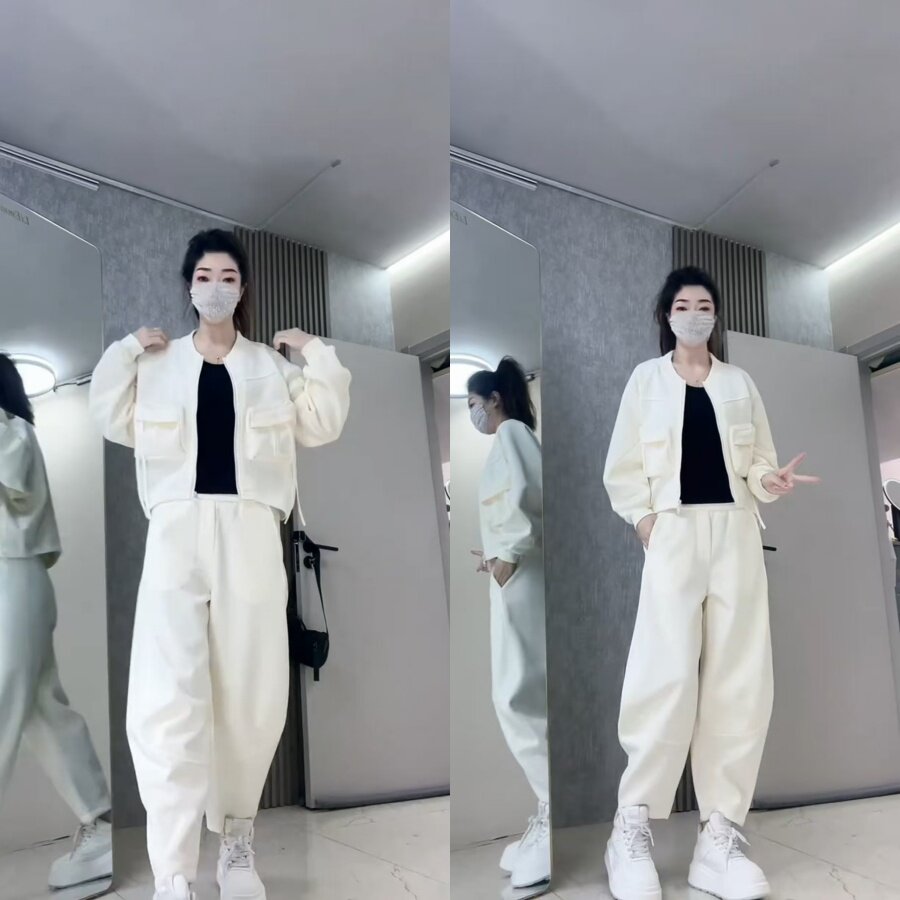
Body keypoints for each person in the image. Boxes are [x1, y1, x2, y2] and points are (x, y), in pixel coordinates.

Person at [89, 229, 351, 900]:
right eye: (204, 276)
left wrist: (315, 351)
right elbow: (108, 415)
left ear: (242, 288)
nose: (215, 287)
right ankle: (173, 869)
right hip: (175, 532)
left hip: (252, 532)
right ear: (189, 286)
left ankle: (236, 841)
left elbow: (324, 421)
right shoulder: (156, 364)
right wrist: (125, 350)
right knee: (165, 697)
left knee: (252, 692)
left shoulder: (270, 367)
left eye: (227, 277)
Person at [602, 267, 820, 900]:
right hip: (673, 531)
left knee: (740, 678)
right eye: (683, 304)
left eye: (704, 305)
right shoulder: (645, 380)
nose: (694, 313)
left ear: (716, 316)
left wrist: (769, 482)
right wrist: (645, 522)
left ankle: (718, 837)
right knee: (663, 673)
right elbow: (622, 467)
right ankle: (631, 825)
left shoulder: (739, 382)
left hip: (736, 533)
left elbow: (757, 464)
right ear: (666, 315)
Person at [0, 353, 113, 890]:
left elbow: (13, 477)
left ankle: (100, 823)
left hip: (13, 573)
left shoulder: (14, 431)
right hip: (13, 578)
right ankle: (99, 821)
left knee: (6, 699)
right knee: (42, 709)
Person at [467, 357, 550, 890]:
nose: (472, 413)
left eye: (474, 403)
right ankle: (545, 810)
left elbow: (531, 497)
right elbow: (512, 511)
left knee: (516, 694)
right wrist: (496, 557)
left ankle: (551, 811)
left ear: (495, 400)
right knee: (516, 691)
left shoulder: (513, 434)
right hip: (513, 577)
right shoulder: (508, 440)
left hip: (520, 577)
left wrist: (509, 557)